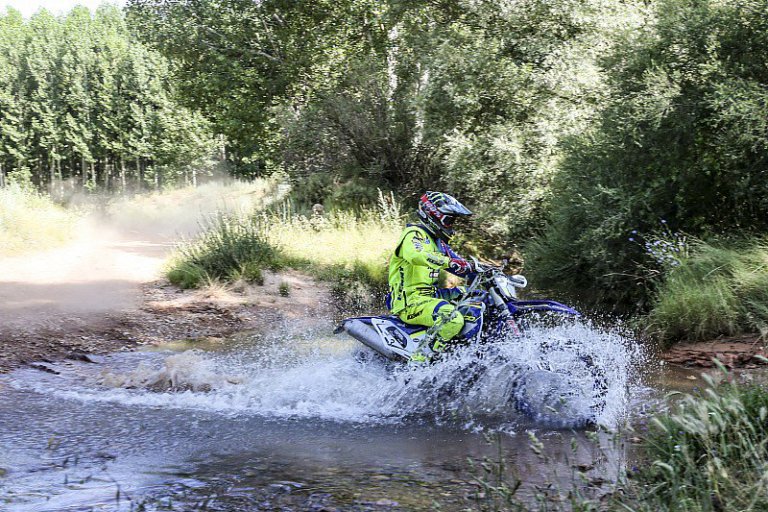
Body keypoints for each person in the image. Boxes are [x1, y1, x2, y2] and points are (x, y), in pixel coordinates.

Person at [387, 191, 478, 361]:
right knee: (452, 319)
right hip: (411, 303)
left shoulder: (439, 244)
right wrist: (451, 264)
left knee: (476, 308)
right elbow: (417, 255)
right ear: (435, 215)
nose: (452, 226)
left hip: (430, 301)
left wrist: (482, 271)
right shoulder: (414, 235)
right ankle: (420, 365)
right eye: (450, 221)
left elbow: (460, 268)